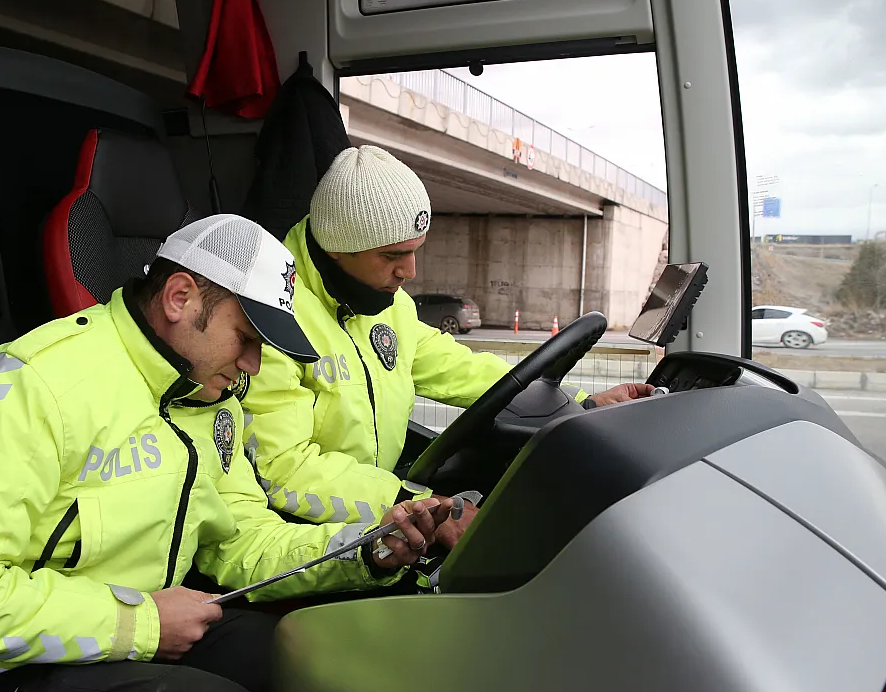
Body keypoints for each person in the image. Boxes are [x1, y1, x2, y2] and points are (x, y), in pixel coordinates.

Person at [0, 214, 452, 692]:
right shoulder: (23, 387)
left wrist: (363, 549)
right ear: (180, 298)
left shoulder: (208, 398)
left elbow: (239, 543)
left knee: (316, 661)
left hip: (132, 644)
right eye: (247, 336)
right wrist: (140, 622)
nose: (254, 366)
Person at [239, 145, 654, 552]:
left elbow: (460, 368)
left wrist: (580, 402)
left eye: (416, 251)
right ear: (336, 246)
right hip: (310, 534)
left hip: (382, 509)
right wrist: (416, 505)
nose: (410, 271)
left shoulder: (387, 305)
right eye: (392, 256)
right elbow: (283, 468)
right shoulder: (272, 319)